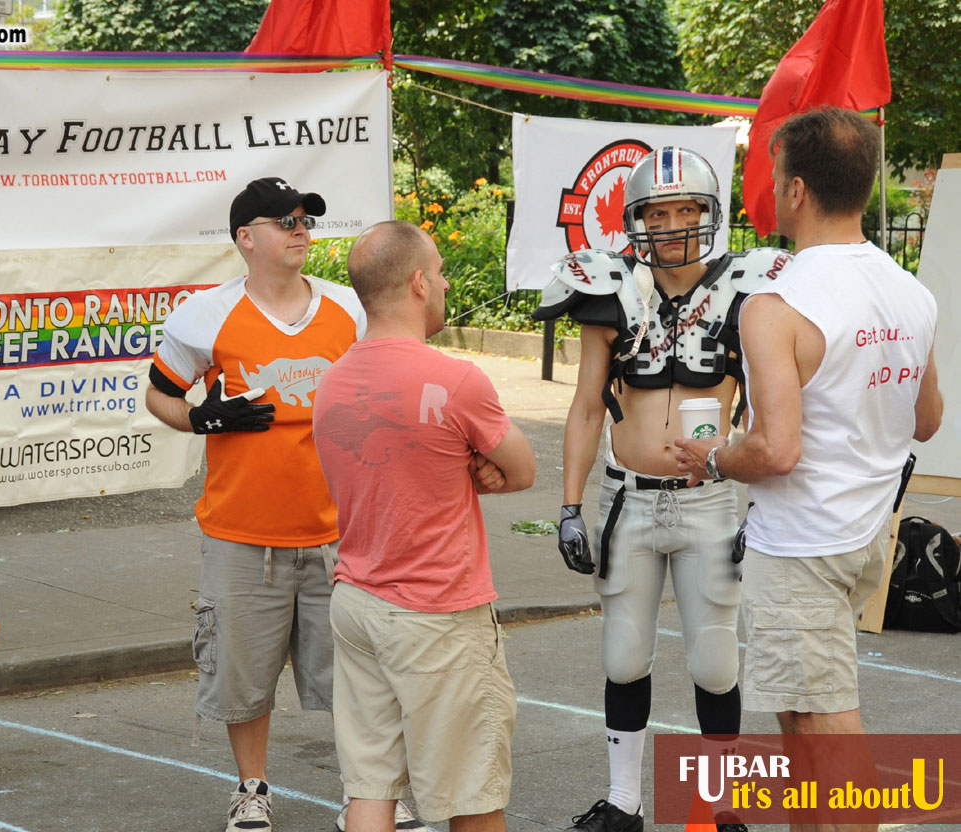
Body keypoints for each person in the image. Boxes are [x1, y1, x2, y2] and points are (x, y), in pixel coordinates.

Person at [676, 107, 942, 832]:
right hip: (862, 534)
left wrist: (710, 456)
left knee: (825, 720)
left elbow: (774, 451)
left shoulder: (776, 302)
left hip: (801, 541)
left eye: (770, 177)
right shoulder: (909, 291)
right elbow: (926, 418)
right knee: (801, 713)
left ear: (795, 190)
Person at [147, 178, 421, 832]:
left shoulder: (346, 310)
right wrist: (201, 418)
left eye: (305, 220)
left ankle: (375, 795)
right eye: (285, 221)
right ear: (246, 238)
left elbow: (388, 382)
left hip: (341, 535)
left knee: (362, 679)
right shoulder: (203, 316)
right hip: (242, 536)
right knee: (243, 679)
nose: (300, 229)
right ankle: (251, 789)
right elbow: (159, 396)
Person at [534, 146, 792, 832]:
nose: (673, 223)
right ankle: (624, 802)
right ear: (635, 217)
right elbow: (587, 404)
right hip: (629, 499)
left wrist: (761, 505)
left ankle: (719, 806)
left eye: (686, 209)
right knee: (623, 655)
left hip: (709, 499)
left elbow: (772, 407)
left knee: (713, 661)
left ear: (711, 215)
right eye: (658, 210)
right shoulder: (607, 284)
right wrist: (567, 505)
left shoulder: (751, 285)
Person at [312, 220, 535, 832]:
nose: (442, 282)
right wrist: (474, 467)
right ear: (416, 283)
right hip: (437, 612)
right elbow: (522, 469)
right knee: (472, 793)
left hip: (357, 599)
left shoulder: (332, 383)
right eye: (437, 271)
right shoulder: (456, 380)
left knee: (370, 789)